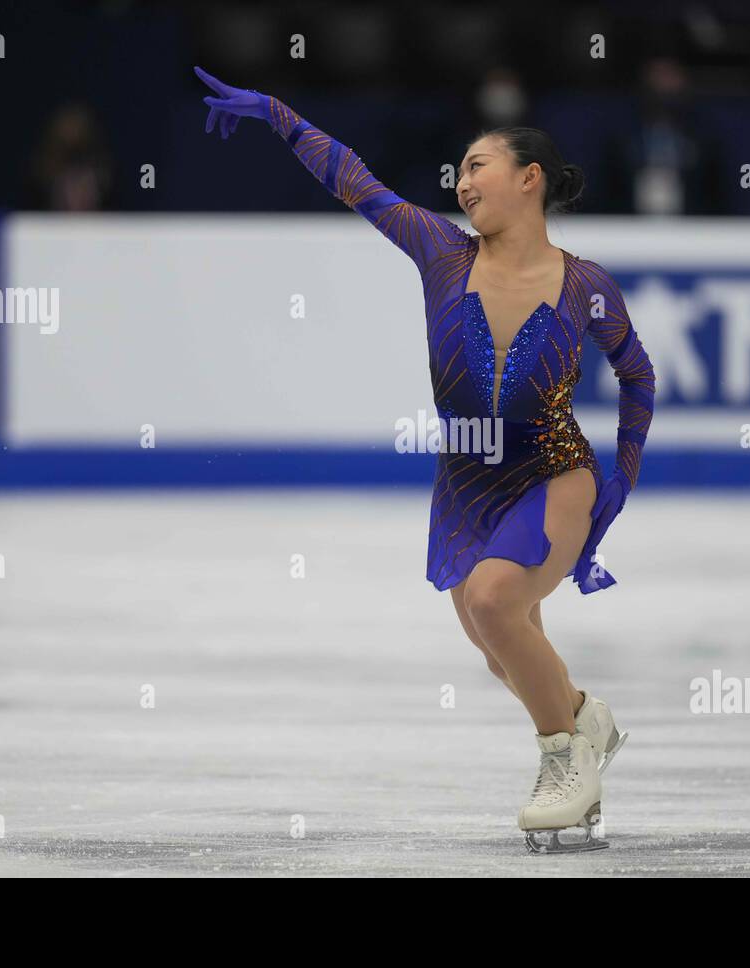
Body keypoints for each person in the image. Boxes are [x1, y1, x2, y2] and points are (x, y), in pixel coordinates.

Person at [195, 67, 656, 853]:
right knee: (494, 644)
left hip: (556, 474)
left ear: (529, 178)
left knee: (493, 602)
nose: (464, 181)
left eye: (479, 165)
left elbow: (637, 373)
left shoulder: (585, 286)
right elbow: (358, 182)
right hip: (466, 486)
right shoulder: (441, 252)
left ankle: (565, 762)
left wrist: (620, 479)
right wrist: (278, 115)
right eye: (460, 170)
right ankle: (583, 715)